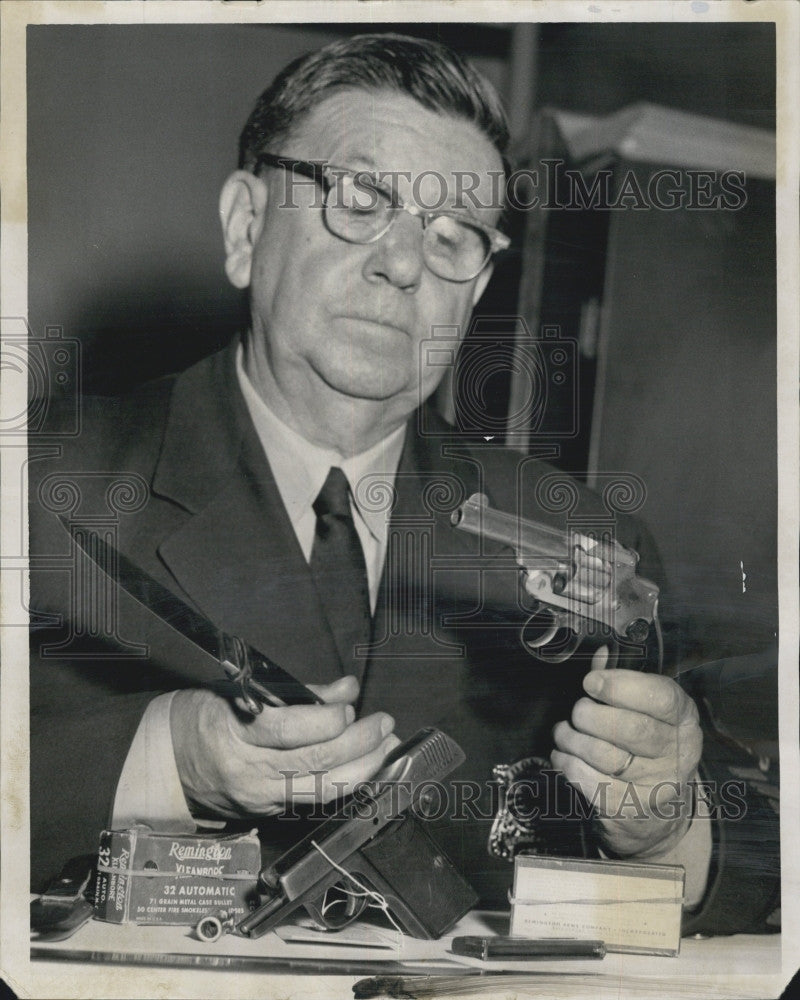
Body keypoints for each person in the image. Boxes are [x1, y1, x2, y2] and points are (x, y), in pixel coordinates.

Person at [29, 33, 778, 934]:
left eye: (455, 233)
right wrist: (165, 760)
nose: (405, 262)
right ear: (244, 226)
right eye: (362, 198)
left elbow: (766, 841)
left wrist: (664, 831)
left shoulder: (583, 536)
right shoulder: (38, 485)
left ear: (478, 287)